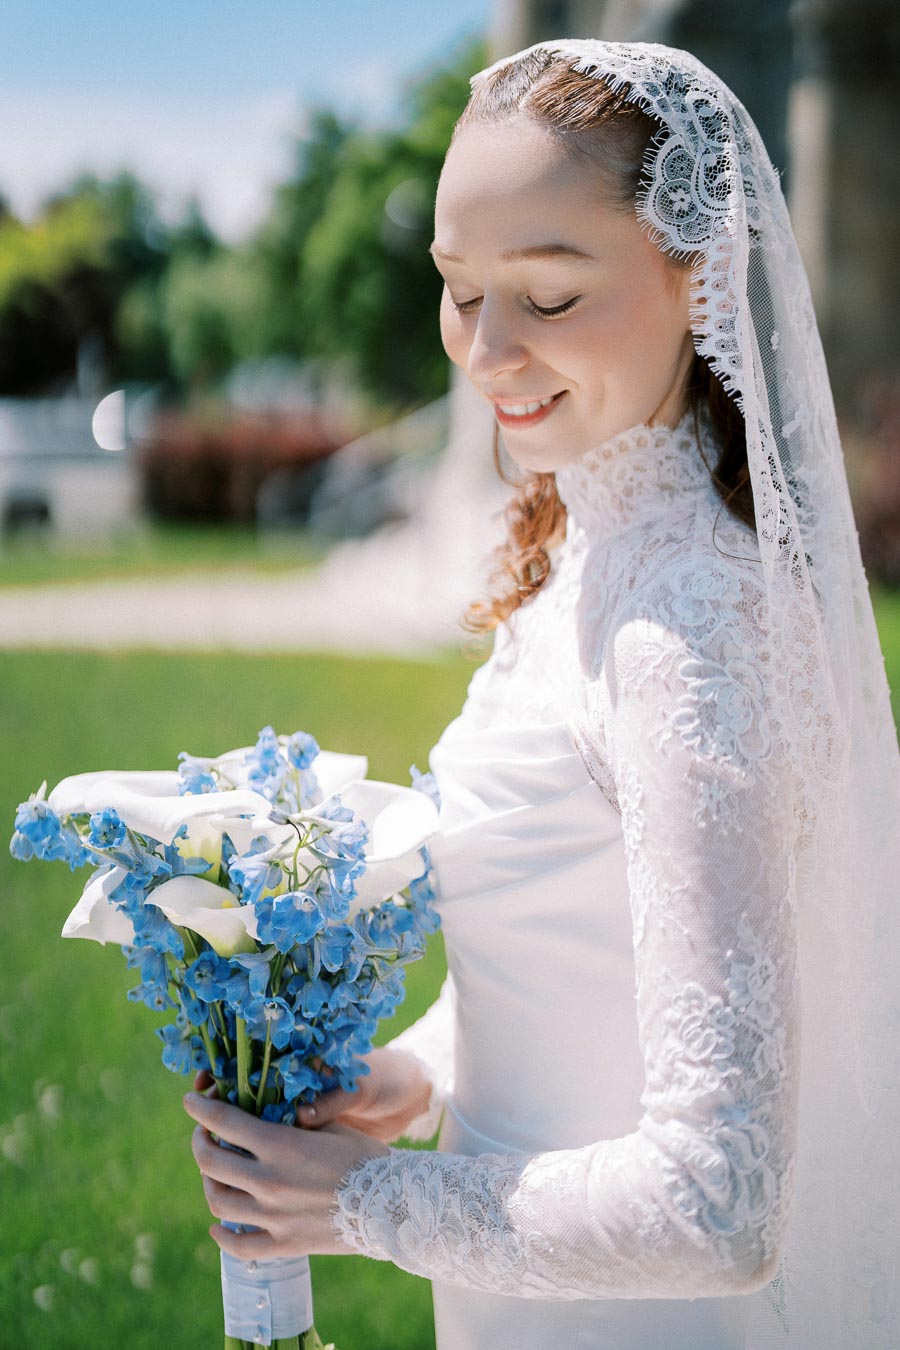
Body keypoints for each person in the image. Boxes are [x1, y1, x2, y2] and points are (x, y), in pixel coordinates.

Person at [184, 39, 900, 1349]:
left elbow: (721, 1201)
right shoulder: (589, 551)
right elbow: (593, 946)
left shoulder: (684, 624)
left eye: (550, 296)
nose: (486, 348)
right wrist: (417, 1075)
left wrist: (367, 1203)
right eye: (458, 291)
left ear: (696, 275)